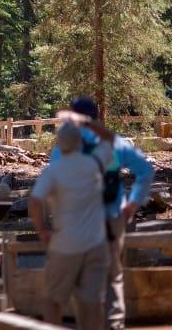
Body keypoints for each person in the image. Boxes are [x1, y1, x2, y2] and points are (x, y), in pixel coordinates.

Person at [60, 97, 154, 330]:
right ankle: (113, 325)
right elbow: (145, 170)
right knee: (113, 276)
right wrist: (132, 205)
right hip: (113, 217)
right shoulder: (115, 143)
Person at [30, 119, 115, 330]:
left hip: (65, 244)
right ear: (79, 142)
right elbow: (111, 139)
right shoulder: (95, 163)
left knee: (52, 299)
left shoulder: (54, 171)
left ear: (59, 143)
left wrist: (42, 230)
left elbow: (34, 200)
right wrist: (88, 123)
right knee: (93, 304)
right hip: (96, 243)